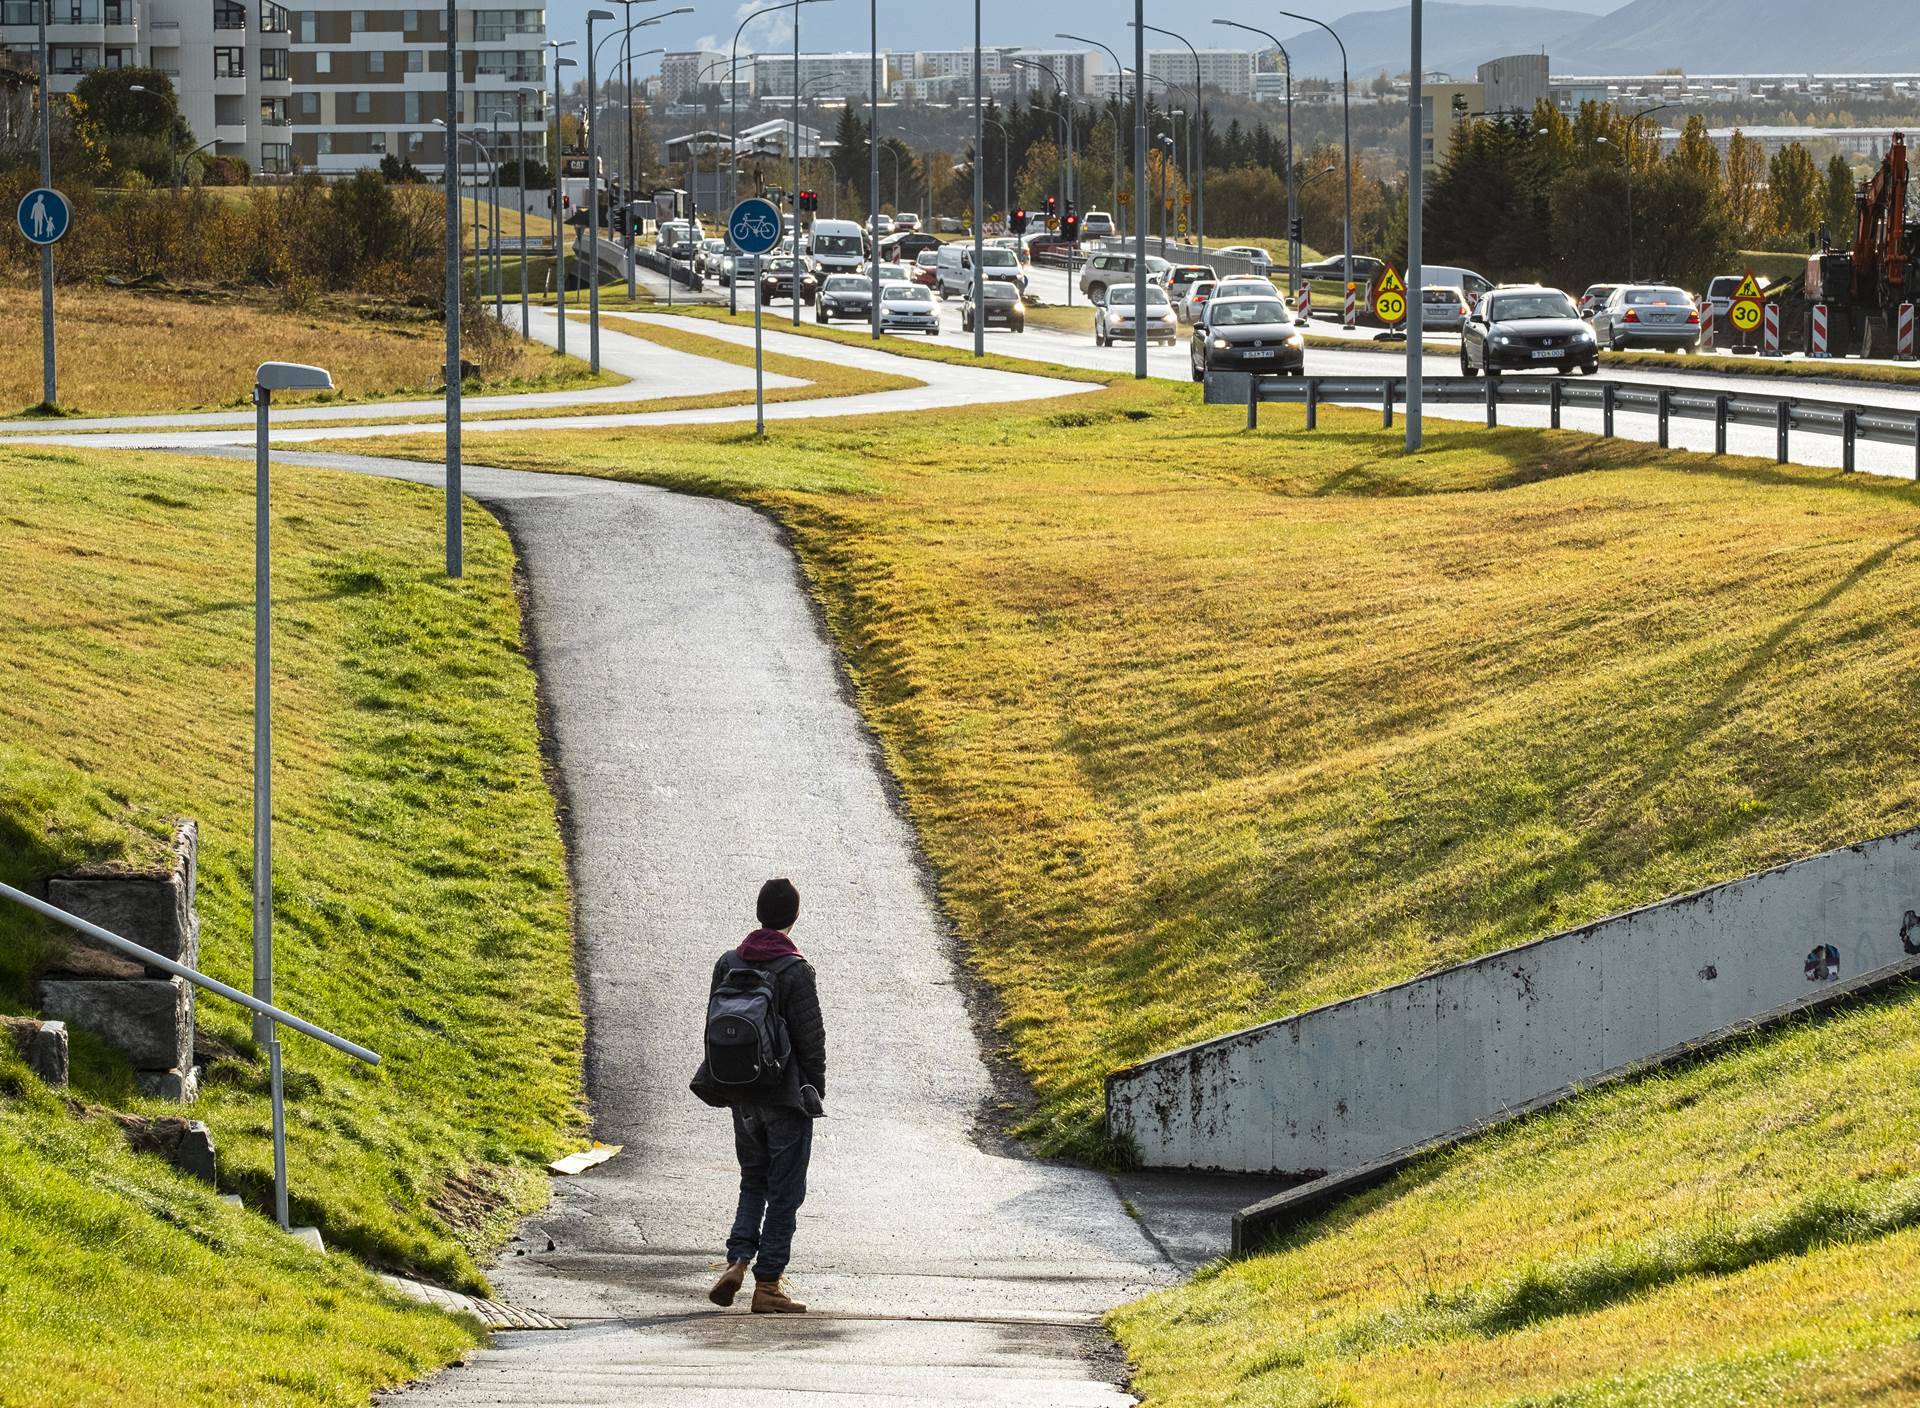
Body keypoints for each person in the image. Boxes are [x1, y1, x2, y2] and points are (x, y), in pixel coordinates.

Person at [699, 877, 825, 1315]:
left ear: (759, 913)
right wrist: (814, 1092)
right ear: (793, 916)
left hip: (742, 1095)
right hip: (785, 1097)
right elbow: (811, 1040)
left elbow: (714, 1029)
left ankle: (737, 1260)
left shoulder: (728, 962)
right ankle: (768, 1285)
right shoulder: (795, 969)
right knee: (785, 1191)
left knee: (753, 1179)